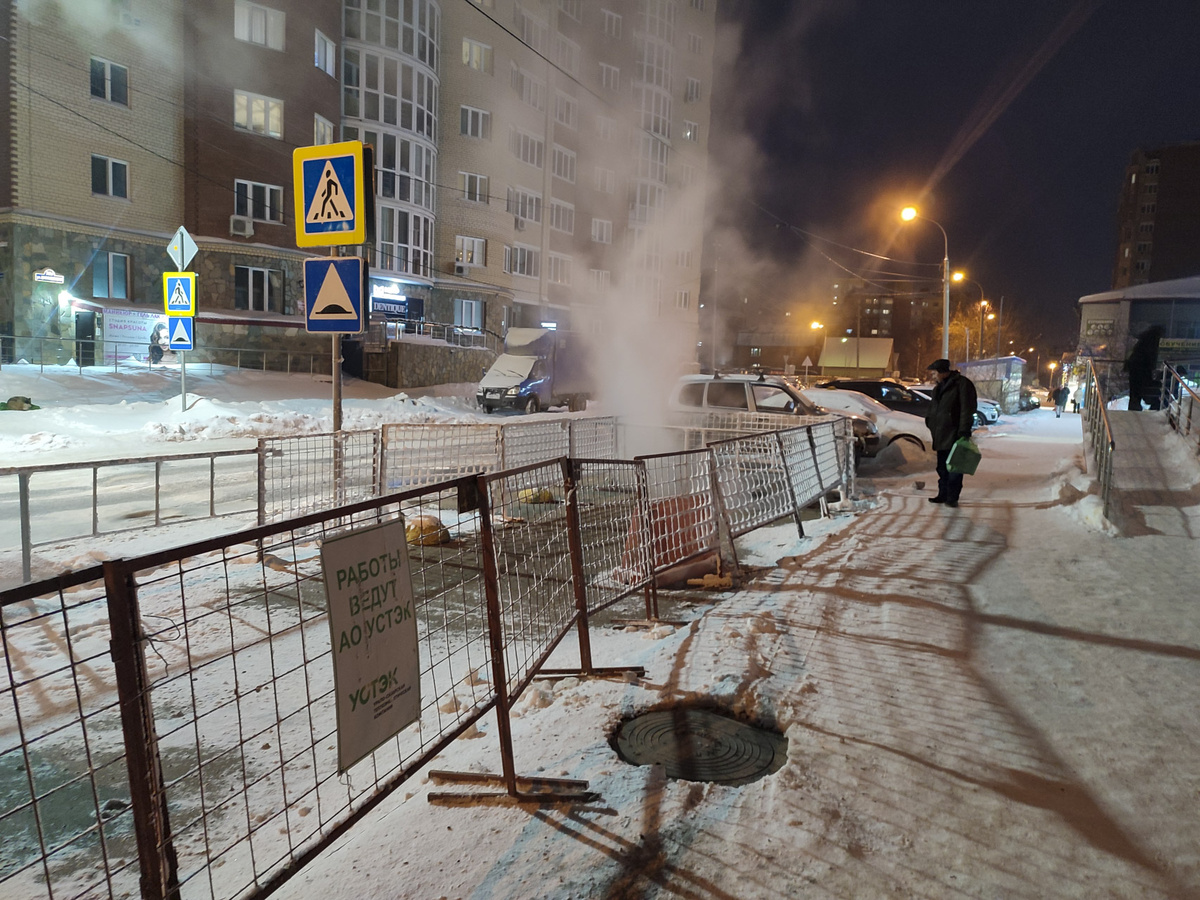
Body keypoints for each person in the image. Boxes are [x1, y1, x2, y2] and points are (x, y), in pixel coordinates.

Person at [924, 358, 977, 508]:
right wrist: (930, 421)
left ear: (942, 372)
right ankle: (943, 494)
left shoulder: (961, 385)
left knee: (954, 467)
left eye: (934, 373)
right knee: (942, 467)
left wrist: (964, 430)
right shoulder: (938, 388)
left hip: (955, 433)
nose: (933, 376)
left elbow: (967, 409)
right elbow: (934, 409)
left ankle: (952, 497)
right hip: (941, 434)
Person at [1123, 325, 1163, 411]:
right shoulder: (1152, 340)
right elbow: (1151, 355)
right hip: (1142, 368)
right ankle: (1152, 406)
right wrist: (1152, 367)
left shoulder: (1143, 340)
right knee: (1145, 388)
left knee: (1135, 390)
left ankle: (1134, 407)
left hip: (1135, 367)